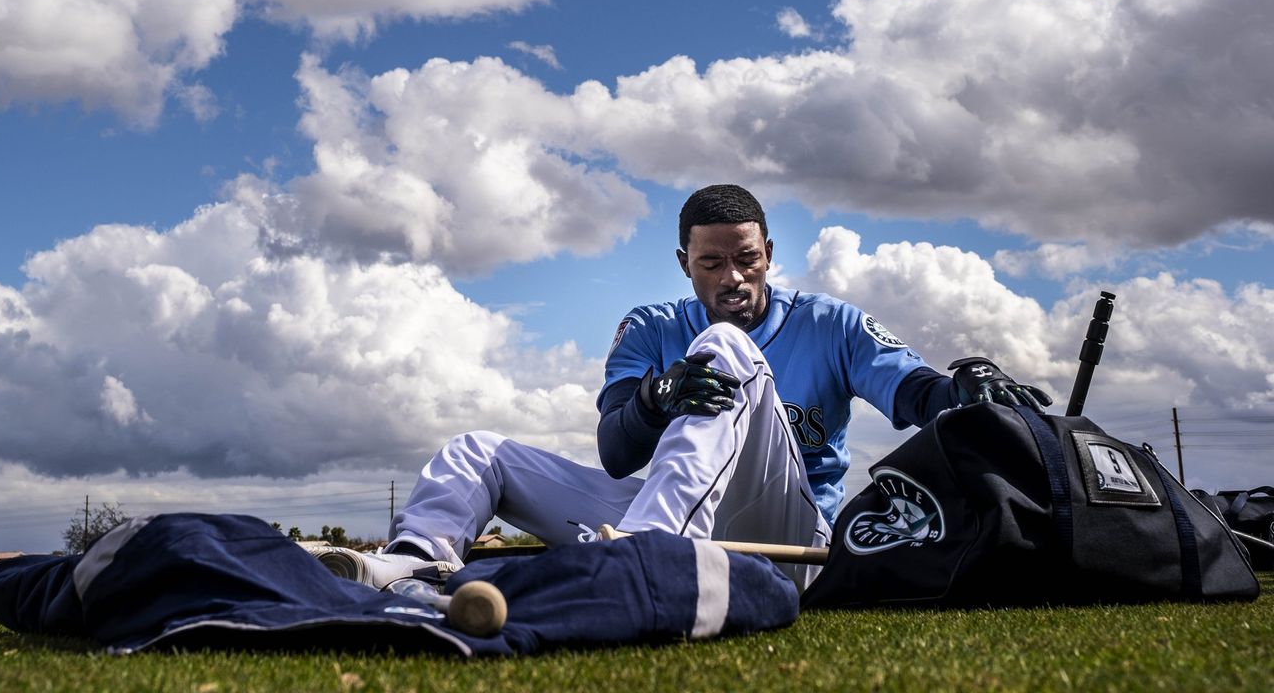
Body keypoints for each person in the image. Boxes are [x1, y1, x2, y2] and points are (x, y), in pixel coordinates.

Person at [312, 185, 1050, 593]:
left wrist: (963, 386)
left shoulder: (828, 322)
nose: (733, 277)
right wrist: (655, 399)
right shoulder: (649, 325)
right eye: (712, 263)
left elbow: (912, 392)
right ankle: (411, 564)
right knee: (478, 449)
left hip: (784, 533)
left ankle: (635, 566)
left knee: (723, 347)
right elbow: (614, 451)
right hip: (657, 508)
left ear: (769, 255)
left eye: (748, 259)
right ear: (683, 263)